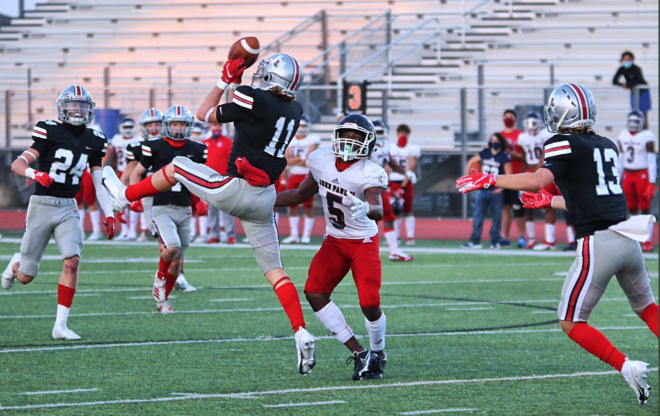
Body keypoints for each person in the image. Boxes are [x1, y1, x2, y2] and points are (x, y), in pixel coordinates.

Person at [101, 52, 316, 374]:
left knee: (176, 166)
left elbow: (203, 114)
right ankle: (301, 330)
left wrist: (225, 79)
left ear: (271, 77)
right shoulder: (294, 108)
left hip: (235, 190)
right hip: (265, 198)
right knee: (275, 271)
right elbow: (254, 114)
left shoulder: (253, 96)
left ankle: (123, 197)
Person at [457, 82, 658, 405]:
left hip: (599, 242)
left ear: (564, 112)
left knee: (571, 322)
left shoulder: (561, 142)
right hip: (628, 237)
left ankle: (627, 366)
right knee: (648, 308)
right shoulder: (606, 143)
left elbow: (539, 179)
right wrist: (550, 203)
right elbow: (592, 198)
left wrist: (490, 179)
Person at [276, 114, 389, 380]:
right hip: (334, 242)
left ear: (368, 143)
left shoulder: (369, 172)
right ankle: (359, 352)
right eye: (346, 135)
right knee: (315, 292)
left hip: (362, 243)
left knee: (369, 304)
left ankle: (379, 353)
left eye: (357, 137)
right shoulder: (321, 160)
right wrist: (265, 201)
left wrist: (366, 208)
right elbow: (300, 194)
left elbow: (379, 208)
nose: (350, 141)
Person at [2, 84, 118, 339]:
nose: (77, 110)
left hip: (68, 207)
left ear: (88, 109)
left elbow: (98, 181)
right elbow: (17, 164)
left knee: (72, 261)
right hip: (42, 205)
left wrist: (109, 212)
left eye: (81, 105)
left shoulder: (95, 139)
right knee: (25, 277)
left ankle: (60, 326)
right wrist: (36, 173)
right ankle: (15, 264)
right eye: (72, 105)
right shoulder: (49, 130)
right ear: (62, 107)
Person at [128, 105, 206, 312]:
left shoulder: (197, 149)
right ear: (167, 125)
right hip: (161, 206)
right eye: (175, 124)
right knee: (171, 247)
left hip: (185, 208)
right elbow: (136, 172)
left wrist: (203, 200)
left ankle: (163, 300)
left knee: (177, 261)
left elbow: (201, 179)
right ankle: (159, 276)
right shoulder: (154, 147)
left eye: (182, 124)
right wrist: (134, 196)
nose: (179, 128)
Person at [370, 120, 413, 261]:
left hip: (379, 186)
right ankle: (390, 250)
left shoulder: (385, 145)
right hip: (369, 187)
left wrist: (404, 172)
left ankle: (387, 250)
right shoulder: (367, 147)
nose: (380, 135)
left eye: (382, 132)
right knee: (378, 218)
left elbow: (390, 162)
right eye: (378, 132)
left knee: (383, 217)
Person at [462, 133, 511, 249]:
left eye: (496, 140)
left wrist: (502, 187)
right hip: (483, 189)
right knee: (478, 215)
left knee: (497, 217)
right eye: (492, 140)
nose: (494, 142)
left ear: (501, 142)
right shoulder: (485, 153)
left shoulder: (504, 156)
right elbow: (471, 162)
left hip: (496, 190)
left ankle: (495, 240)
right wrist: (468, 176)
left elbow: (509, 175)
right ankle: (475, 240)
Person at [517, 111, 558, 250]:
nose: (531, 126)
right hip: (529, 171)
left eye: (534, 123)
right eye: (529, 123)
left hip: (542, 172)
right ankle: (532, 239)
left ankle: (550, 240)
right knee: (527, 205)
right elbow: (523, 157)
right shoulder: (522, 138)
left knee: (548, 204)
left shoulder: (545, 135)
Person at [617, 110, 657, 252]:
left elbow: (652, 160)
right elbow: (621, 159)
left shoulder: (647, 136)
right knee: (632, 207)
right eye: (631, 122)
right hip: (628, 174)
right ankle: (635, 238)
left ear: (642, 123)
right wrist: (618, 177)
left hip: (642, 174)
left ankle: (647, 241)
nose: (633, 125)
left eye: (636, 122)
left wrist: (652, 182)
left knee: (645, 208)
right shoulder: (623, 135)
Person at [124, 107, 164, 242]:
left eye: (157, 124)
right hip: (147, 191)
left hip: (170, 191)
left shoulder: (170, 144)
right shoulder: (136, 146)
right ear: (144, 127)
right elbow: (129, 171)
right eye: (150, 124)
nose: (154, 127)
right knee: (157, 232)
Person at [282, 114, 320, 244]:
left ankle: (306, 235)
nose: (302, 128)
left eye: (304, 125)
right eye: (300, 125)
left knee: (308, 206)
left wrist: (294, 161)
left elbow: (307, 161)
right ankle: (294, 235)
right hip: (293, 175)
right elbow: (286, 160)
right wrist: (298, 160)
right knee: (292, 205)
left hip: (307, 175)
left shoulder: (313, 139)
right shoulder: (290, 139)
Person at [106, 117, 141, 240]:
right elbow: (114, 157)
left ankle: (132, 231)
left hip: (135, 173)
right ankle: (124, 231)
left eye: (130, 127)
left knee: (133, 202)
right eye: (125, 127)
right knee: (119, 202)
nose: (127, 130)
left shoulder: (139, 140)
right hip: (121, 171)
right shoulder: (116, 140)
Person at [203, 124, 236, 244]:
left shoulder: (228, 142)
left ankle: (230, 234)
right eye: (214, 125)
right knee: (212, 208)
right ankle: (214, 234)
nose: (216, 128)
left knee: (227, 207)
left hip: (224, 177)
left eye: (218, 125)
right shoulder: (204, 142)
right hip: (209, 178)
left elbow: (232, 160)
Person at [388, 124, 420, 245]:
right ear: (397, 134)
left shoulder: (412, 149)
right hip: (393, 180)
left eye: (405, 133)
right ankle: (395, 236)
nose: (403, 135)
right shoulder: (390, 147)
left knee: (407, 209)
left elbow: (410, 168)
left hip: (406, 182)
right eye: (401, 133)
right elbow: (387, 166)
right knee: (395, 210)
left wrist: (403, 185)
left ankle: (410, 237)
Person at [499, 109, 526, 247]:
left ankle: (522, 236)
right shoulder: (499, 136)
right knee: (505, 208)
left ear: (515, 119)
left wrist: (514, 154)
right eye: (506, 117)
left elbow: (524, 157)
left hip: (517, 175)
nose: (508, 119)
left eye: (510, 117)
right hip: (504, 177)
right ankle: (505, 236)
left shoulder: (520, 135)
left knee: (518, 208)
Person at [613, 51, 651, 128]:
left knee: (644, 113)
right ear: (622, 60)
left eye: (628, 59)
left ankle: (645, 129)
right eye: (625, 59)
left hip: (643, 92)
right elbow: (614, 81)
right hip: (634, 92)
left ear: (632, 60)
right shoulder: (622, 69)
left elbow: (639, 81)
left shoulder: (636, 68)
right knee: (635, 113)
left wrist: (628, 84)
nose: (627, 61)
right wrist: (622, 84)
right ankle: (636, 128)